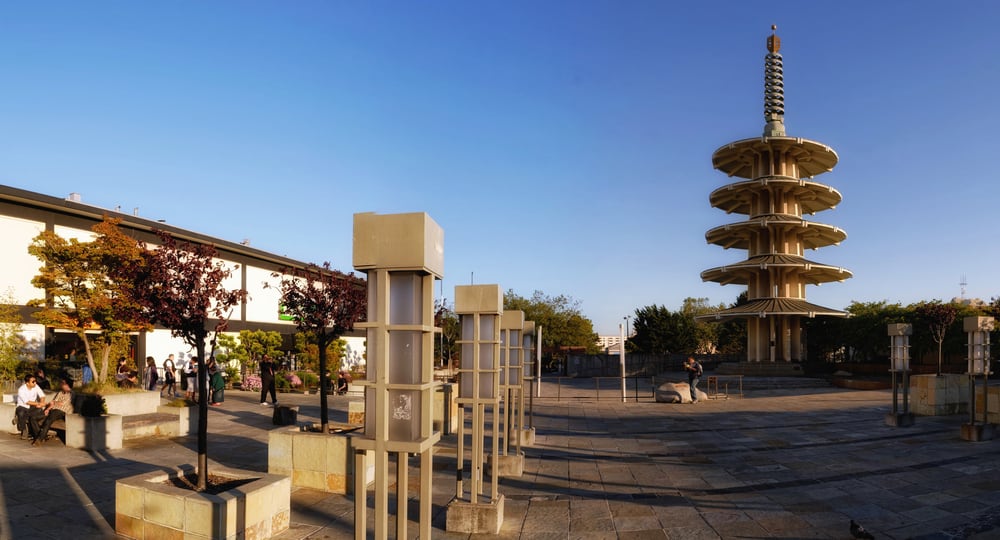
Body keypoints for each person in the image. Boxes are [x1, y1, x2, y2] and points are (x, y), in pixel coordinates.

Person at [30, 377, 73, 446]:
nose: (61, 385)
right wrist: (47, 409)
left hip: (61, 411)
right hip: (52, 410)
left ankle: (39, 439)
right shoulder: (60, 392)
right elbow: (53, 402)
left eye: (63, 383)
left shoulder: (71, 394)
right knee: (33, 418)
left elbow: (62, 404)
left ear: (67, 385)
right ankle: (41, 436)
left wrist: (54, 403)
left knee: (48, 420)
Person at [15, 374, 46, 440]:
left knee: (40, 411)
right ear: (27, 383)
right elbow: (27, 401)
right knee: (21, 413)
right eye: (33, 381)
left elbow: (42, 395)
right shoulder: (21, 389)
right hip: (22, 406)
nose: (35, 382)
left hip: (32, 406)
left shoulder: (36, 386)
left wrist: (41, 403)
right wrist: (38, 403)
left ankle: (19, 419)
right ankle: (24, 430)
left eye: (35, 381)